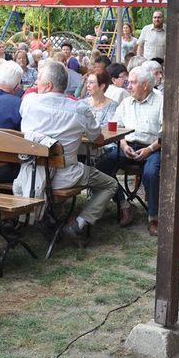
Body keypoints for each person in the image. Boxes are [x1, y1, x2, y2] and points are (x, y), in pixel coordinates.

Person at [19, 61, 118, 247]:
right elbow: (98, 139)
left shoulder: (28, 102)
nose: (35, 83)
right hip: (65, 176)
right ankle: (79, 224)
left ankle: (50, 218)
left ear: (48, 85)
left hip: (31, 176)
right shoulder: (79, 109)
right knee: (111, 184)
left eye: (38, 79)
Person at [96, 66, 162, 236]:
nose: (128, 86)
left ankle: (153, 217)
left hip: (153, 148)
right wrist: (124, 145)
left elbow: (166, 134)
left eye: (132, 82)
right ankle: (124, 204)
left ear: (145, 85)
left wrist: (149, 149)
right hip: (127, 147)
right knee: (101, 166)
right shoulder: (126, 102)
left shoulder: (161, 101)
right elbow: (115, 128)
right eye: (128, 82)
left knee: (151, 173)